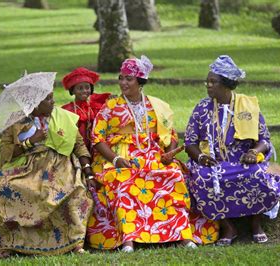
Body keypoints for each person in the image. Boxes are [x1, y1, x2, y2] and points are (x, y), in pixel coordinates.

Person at [0, 76, 94, 257]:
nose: (53, 101)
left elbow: (79, 145)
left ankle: (74, 242)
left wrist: (88, 172)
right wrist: (30, 142)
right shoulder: (16, 121)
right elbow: (5, 153)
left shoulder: (62, 116)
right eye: (48, 99)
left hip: (60, 165)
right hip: (27, 166)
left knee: (75, 191)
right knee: (7, 189)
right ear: (34, 104)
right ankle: (9, 242)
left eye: (52, 96)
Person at [86, 55, 203, 252]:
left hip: (154, 157)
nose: (123, 83)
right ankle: (128, 239)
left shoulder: (156, 105)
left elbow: (170, 134)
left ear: (140, 82)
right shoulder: (111, 107)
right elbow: (97, 138)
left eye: (128, 79)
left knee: (173, 176)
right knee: (124, 182)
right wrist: (115, 159)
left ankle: (182, 235)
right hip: (122, 159)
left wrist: (169, 154)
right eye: (121, 78)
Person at [184, 55, 280, 246]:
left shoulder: (247, 106)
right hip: (213, 161)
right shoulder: (202, 108)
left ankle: (256, 223)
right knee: (203, 178)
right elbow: (189, 142)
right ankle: (228, 227)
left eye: (213, 82)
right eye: (207, 81)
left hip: (243, 160)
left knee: (255, 175)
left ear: (226, 84)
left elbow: (264, 139)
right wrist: (201, 157)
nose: (208, 85)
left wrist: (254, 152)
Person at [61, 67, 111, 153]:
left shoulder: (96, 107)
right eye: (80, 88)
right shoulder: (68, 110)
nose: (84, 91)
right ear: (72, 91)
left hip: (97, 147)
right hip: (76, 148)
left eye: (87, 88)